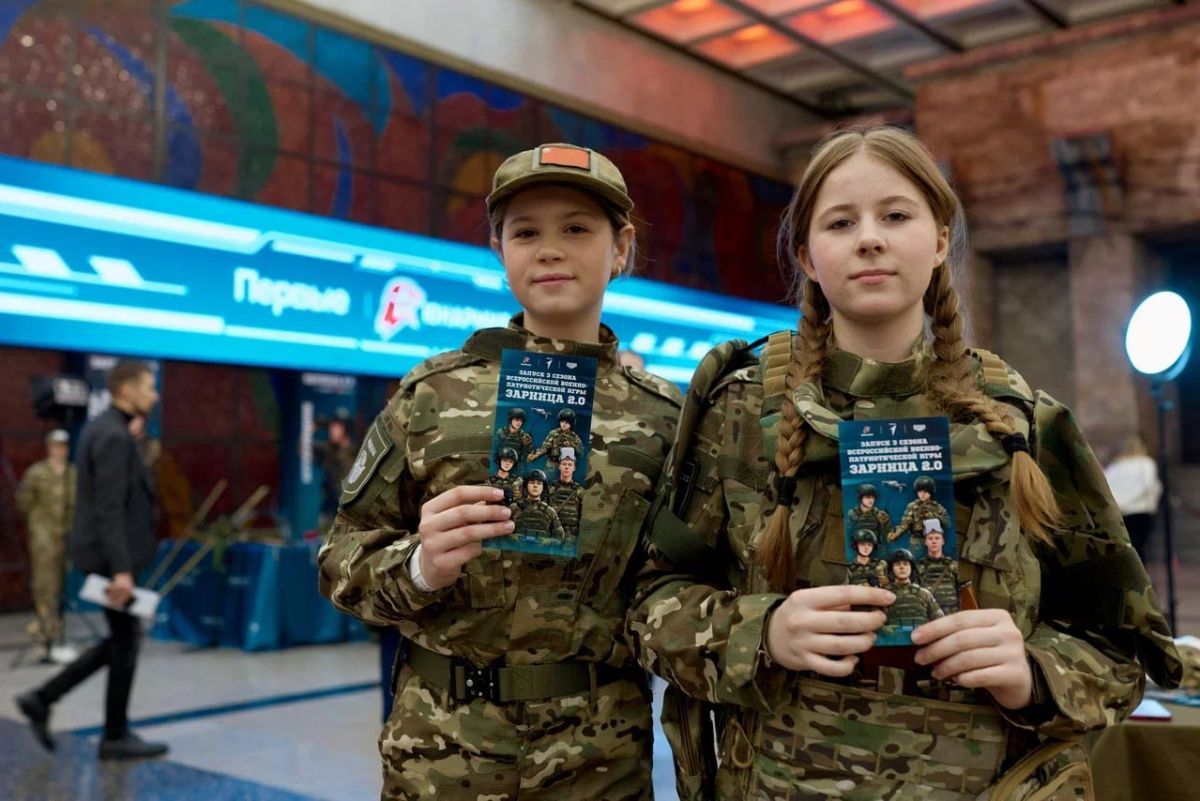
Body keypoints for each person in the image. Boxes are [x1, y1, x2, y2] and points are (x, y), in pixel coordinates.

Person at [631, 126, 1180, 799]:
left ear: (941, 239)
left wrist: (1034, 672)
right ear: (807, 255)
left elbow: (1124, 651)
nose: (869, 238)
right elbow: (651, 604)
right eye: (840, 222)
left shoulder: (1021, 424)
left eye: (895, 215)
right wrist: (763, 631)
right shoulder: (739, 410)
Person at [318, 142, 682, 800]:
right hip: (440, 750)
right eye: (526, 232)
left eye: (577, 229)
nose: (550, 250)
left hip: (598, 758)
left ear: (621, 247)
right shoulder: (432, 395)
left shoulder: (666, 419)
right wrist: (420, 565)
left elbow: (689, 583)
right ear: (499, 250)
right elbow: (339, 559)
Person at [15, 360, 168, 760]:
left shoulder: (109, 430)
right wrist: (121, 570)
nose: (155, 395)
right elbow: (109, 508)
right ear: (126, 389)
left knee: (122, 640)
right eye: (148, 386)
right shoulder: (112, 435)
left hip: (105, 555)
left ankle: (47, 700)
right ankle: (109, 733)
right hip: (108, 559)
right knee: (125, 640)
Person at [15, 429, 78, 664]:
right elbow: (24, 502)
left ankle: (54, 633)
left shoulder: (73, 474)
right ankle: (45, 636)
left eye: (64, 446)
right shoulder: (37, 473)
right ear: (49, 447)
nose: (60, 450)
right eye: (56, 446)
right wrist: (37, 525)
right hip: (44, 539)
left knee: (60, 585)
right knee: (45, 587)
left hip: (65, 537)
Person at [1103, 435, 1161, 561]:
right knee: (1138, 548)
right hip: (1140, 510)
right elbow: (1147, 486)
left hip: (1120, 512)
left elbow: (1105, 488)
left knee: (1127, 548)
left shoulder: (1115, 467)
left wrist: (1118, 504)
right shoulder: (1146, 463)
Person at [887, 474, 949, 557]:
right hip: (916, 541)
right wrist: (896, 535)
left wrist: (933, 516)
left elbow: (947, 523)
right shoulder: (912, 506)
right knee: (915, 561)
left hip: (932, 540)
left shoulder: (937, 507)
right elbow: (905, 524)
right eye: (919, 492)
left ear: (930, 492)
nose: (922, 494)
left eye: (925, 492)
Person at [884, 548, 942, 628]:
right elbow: (874, 623)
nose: (902, 567)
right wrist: (884, 629)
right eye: (897, 564)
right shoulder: (884, 595)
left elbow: (940, 621)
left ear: (912, 568)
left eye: (905, 564)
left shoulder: (924, 594)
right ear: (891, 569)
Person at [917, 518, 960, 615]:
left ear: (943, 541)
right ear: (925, 542)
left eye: (937, 538)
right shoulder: (919, 567)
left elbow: (962, 592)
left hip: (952, 615)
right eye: (930, 538)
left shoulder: (953, 566)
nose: (934, 541)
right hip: (930, 616)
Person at [528, 407, 584, 471]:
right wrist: (535, 455)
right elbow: (545, 448)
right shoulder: (554, 433)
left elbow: (581, 453)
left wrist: (571, 446)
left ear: (571, 423)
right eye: (562, 421)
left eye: (566, 422)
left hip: (566, 466)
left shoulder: (574, 437)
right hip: (552, 465)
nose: (563, 424)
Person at [546, 447, 584, 540]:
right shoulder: (550, 489)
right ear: (559, 466)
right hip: (553, 534)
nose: (566, 467)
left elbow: (582, 516)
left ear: (574, 468)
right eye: (564, 464)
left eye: (570, 465)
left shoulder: (579, 491)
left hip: (571, 535)